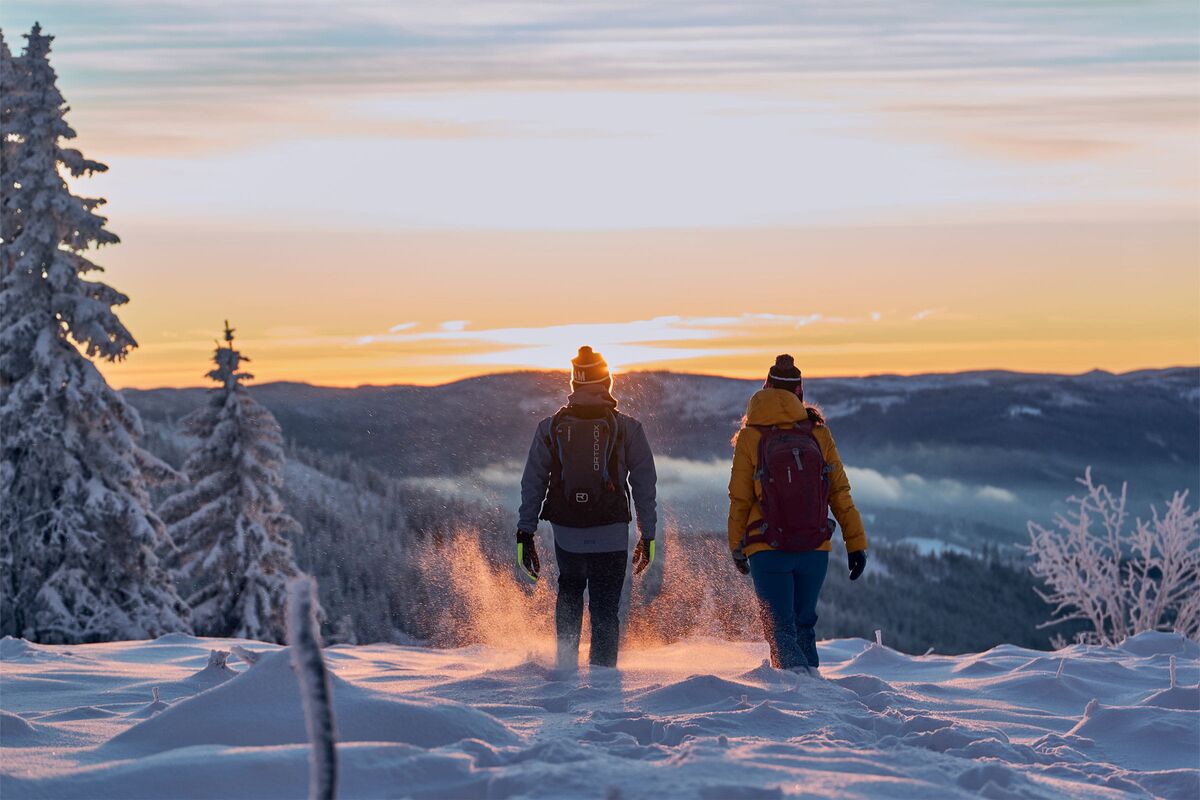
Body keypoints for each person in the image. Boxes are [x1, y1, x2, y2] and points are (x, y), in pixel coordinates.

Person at [516, 346, 658, 669]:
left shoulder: (550, 428)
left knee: (569, 591)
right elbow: (645, 487)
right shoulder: (628, 428)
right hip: (611, 531)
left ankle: (565, 669)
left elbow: (532, 484)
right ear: (606, 382)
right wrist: (647, 535)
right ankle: (603, 681)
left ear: (574, 385)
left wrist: (525, 533)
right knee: (605, 609)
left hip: (567, 532)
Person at [727, 354, 868, 674]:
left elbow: (740, 498)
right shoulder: (817, 433)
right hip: (814, 547)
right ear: (799, 393)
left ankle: (799, 704)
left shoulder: (751, 435)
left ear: (766, 388)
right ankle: (813, 698)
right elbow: (839, 493)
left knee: (780, 632)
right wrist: (856, 543)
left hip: (767, 547)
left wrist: (736, 545)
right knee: (804, 628)